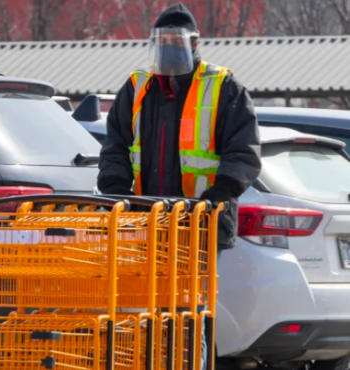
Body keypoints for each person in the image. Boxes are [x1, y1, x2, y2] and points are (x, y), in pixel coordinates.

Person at [97, 2, 262, 370]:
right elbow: (115, 146)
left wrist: (222, 191)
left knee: (192, 311)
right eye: (162, 40)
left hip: (199, 223)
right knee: (146, 310)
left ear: (194, 43)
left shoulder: (223, 87)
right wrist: (115, 184)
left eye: (176, 40)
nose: (169, 47)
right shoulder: (138, 87)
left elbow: (244, 150)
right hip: (145, 223)